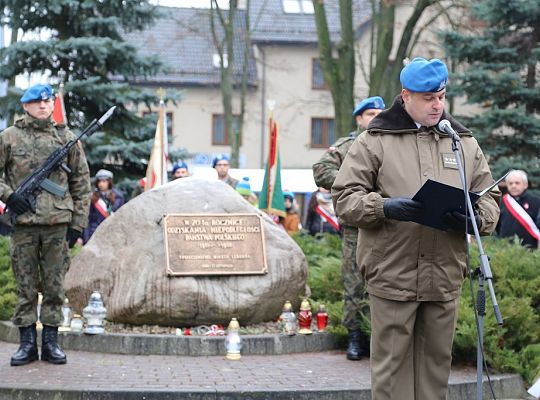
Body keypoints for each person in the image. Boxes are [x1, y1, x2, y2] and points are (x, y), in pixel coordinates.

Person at [332, 58, 500, 400]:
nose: (437, 105)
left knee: (436, 371)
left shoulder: (462, 142)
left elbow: (490, 197)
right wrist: (384, 207)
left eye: (441, 96)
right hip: (393, 273)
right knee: (392, 374)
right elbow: (344, 198)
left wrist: (476, 219)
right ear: (406, 96)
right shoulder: (375, 140)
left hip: (444, 275)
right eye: (428, 98)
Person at [0, 83, 91, 366]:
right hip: (24, 224)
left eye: (47, 101)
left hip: (57, 225)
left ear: (52, 104)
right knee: (26, 286)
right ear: (25, 106)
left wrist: (78, 225)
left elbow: (82, 184)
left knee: (54, 286)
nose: (43, 106)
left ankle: (51, 342)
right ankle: (27, 343)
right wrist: (10, 196)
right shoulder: (9, 137)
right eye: (36, 102)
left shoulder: (67, 138)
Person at [312, 95, 385, 360]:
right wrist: (351, 183)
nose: (375, 118)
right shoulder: (348, 145)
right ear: (359, 118)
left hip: (390, 224)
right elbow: (321, 170)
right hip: (357, 227)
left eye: (380, 113)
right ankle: (355, 337)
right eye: (370, 114)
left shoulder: (393, 143)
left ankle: (380, 339)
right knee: (355, 282)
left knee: (387, 284)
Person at [496, 169, 540, 249]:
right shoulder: (501, 202)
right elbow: (497, 226)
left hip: (530, 249)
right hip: (506, 249)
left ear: (525, 184)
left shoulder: (536, 201)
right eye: (510, 183)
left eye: (517, 183)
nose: (513, 186)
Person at [82, 169, 124, 244]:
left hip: (111, 233)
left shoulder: (118, 197)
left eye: (104, 181)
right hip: (93, 232)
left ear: (109, 182)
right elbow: (87, 219)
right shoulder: (92, 197)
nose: (101, 184)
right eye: (99, 181)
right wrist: (86, 238)